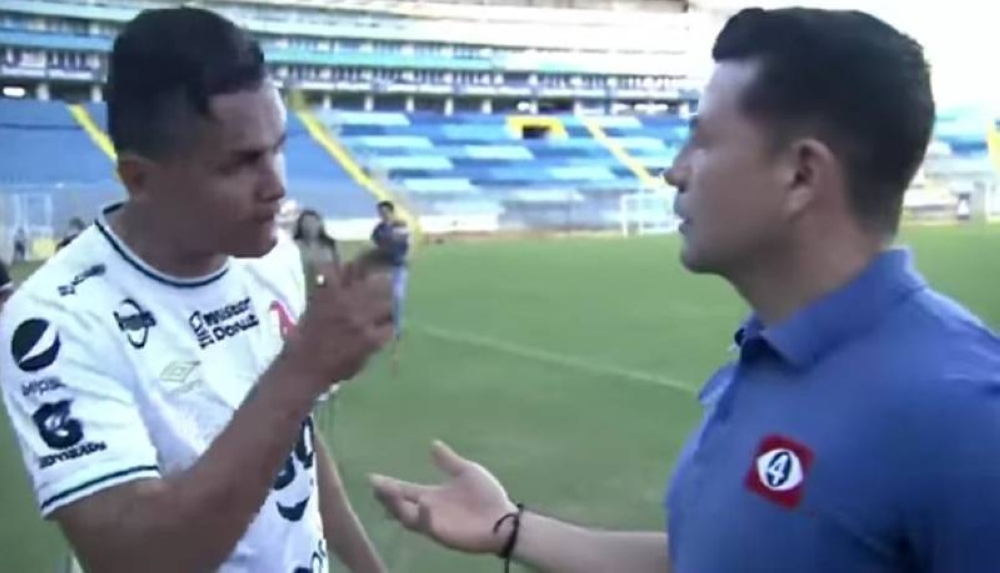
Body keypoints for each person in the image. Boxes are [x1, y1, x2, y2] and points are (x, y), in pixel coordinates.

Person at [371, 8, 1000, 573]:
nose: (674, 171)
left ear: (801, 174)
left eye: (702, 140)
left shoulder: (964, 416)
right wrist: (513, 529)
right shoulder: (767, 351)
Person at [0, 7, 392, 573]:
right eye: (241, 163)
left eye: (278, 147)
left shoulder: (273, 256)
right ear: (141, 179)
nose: (278, 185)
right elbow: (136, 560)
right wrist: (303, 367)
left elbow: (291, 438)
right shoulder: (55, 321)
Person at [371, 201, 410, 371]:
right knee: (382, 296)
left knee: (397, 295)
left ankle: (396, 326)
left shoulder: (400, 226)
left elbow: (403, 243)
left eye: (385, 211)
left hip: (398, 266)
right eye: (381, 212)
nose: (383, 214)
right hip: (384, 266)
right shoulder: (378, 229)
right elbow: (379, 245)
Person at [294, 208, 341, 296]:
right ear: (300, 226)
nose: (309, 226)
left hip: (325, 290)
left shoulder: (330, 245)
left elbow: (338, 268)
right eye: (306, 223)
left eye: (313, 222)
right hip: (300, 290)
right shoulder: (293, 247)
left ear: (319, 224)